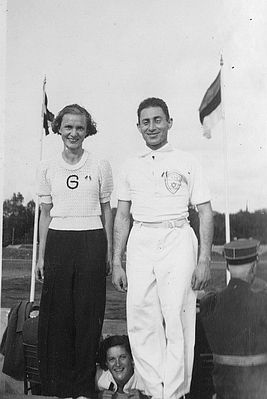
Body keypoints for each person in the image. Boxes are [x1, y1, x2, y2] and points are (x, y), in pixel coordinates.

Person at [112, 97, 214, 399]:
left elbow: (205, 212)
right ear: (138, 127)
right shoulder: (131, 165)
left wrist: (205, 259)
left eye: (158, 120)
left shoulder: (187, 161)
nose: (152, 126)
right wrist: (117, 261)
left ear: (169, 122)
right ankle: (155, 392)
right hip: (141, 239)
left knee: (177, 317)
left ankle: (174, 393)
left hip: (177, 236)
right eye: (146, 121)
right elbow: (121, 215)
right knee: (141, 318)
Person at [36, 104, 113, 399]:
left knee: (87, 316)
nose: (74, 133)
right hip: (58, 241)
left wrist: (106, 252)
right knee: (58, 319)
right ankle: (61, 389)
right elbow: (45, 213)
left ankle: (83, 389)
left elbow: (106, 210)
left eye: (80, 128)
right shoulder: (47, 167)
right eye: (68, 127)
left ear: (87, 131)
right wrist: (42, 256)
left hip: (91, 241)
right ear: (58, 128)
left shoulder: (100, 164)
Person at [200, 238, 267, 399]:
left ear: (228, 267)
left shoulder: (209, 303)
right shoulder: (263, 302)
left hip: (224, 393)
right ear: (254, 267)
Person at [96, 335, 149, 399]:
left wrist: (145, 398)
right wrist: (97, 396)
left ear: (132, 359)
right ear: (106, 363)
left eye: (122, 357)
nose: (117, 364)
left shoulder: (146, 380)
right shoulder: (99, 378)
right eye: (112, 359)